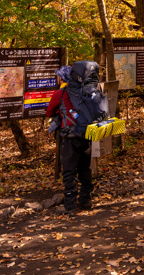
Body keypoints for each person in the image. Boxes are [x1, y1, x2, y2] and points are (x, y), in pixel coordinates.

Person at [46, 61, 104, 212]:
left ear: (63, 79)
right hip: (86, 134)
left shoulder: (60, 93)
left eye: (59, 76)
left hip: (70, 136)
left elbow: (49, 112)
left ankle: (70, 206)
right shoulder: (85, 92)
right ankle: (86, 200)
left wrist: (60, 115)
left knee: (69, 170)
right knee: (85, 168)